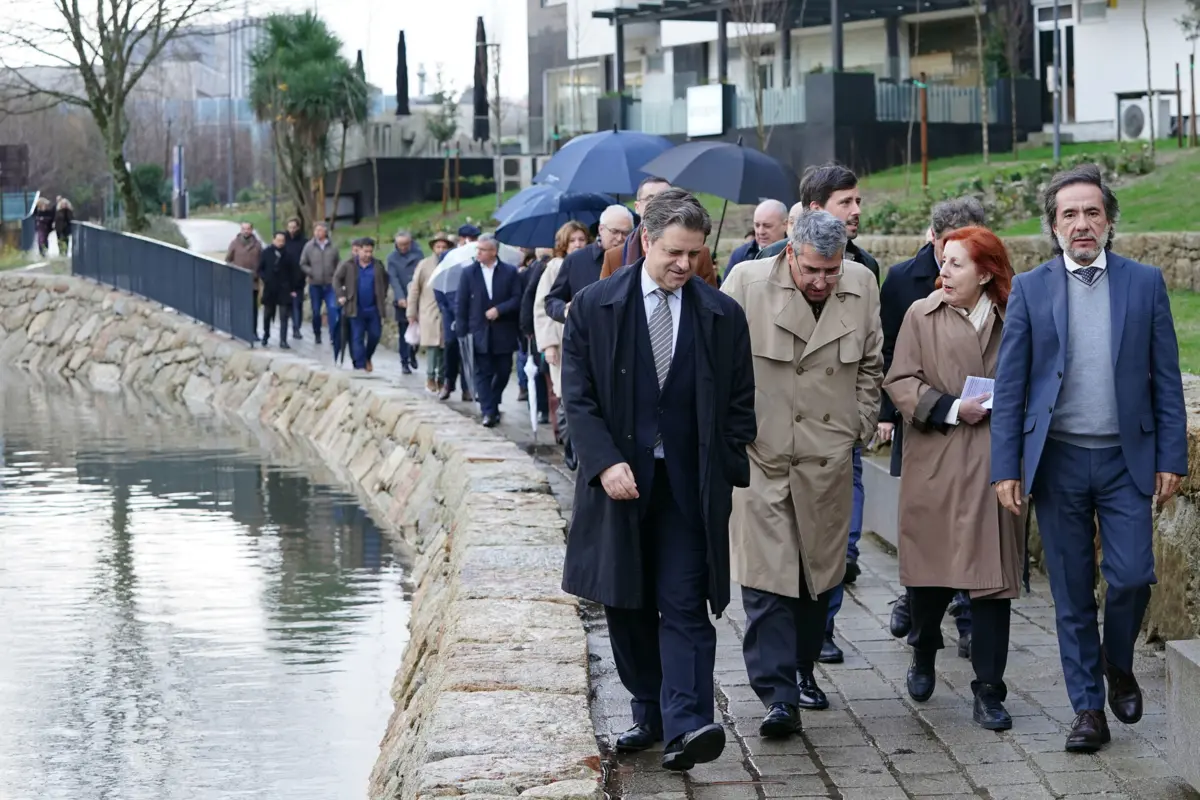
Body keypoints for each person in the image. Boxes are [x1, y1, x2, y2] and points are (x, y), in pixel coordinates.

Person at [991, 164, 1188, 753]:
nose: (1082, 223)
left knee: (1131, 576)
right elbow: (1011, 387)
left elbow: (1166, 379)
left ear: (1108, 221)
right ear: (1053, 226)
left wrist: (1172, 455)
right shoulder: (1030, 289)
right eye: (1070, 214)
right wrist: (1006, 467)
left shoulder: (1145, 283)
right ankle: (1087, 710)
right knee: (1073, 591)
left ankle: (1117, 663)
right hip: (1058, 462)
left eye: (1092, 212)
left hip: (1128, 460)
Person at [560, 188, 755, 771]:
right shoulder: (593, 307)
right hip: (620, 486)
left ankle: (689, 725)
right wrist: (604, 462)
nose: (684, 264)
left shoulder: (722, 314)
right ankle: (649, 710)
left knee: (685, 603)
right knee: (628, 603)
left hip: (690, 490)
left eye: (694, 254)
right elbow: (578, 399)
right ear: (646, 241)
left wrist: (723, 463)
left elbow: (740, 404)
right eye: (674, 252)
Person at [721, 210, 882, 735]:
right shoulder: (747, 282)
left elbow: (871, 363)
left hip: (827, 459)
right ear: (790, 251)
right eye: (812, 269)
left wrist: (859, 424)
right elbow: (715, 361)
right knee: (766, 581)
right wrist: (731, 433)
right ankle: (778, 698)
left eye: (831, 271)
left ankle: (801, 667)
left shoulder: (862, 283)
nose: (821, 281)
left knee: (817, 583)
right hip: (762, 458)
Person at [882, 225, 1024, 731]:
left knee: (993, 584)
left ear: (985, 273)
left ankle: (989, 690)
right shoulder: (921, 314)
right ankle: (923, 650)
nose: (942, 271)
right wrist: (948, 408)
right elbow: (899, 380)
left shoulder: (1014, 316)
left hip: (996, 466)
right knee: (930, 578)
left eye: (956, 263)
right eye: (943, 261)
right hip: (937, 460)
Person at [877, 197, 987, 649]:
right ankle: (918, 602)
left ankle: (967, 616)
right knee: (927, 525)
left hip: (979, 430)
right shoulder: (903, 280)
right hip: (925, 423)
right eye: (950, 247)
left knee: (971, 524)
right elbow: (889, 353)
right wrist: (888, 414)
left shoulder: (994, 284)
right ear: (935, 239)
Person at [790, 163, 880, 670]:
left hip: (841, 438)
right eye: (847, 202)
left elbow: (872, 356)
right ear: (815, 209)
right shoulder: (765, 269)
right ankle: (790, 651)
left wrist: (861, 421)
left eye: (858, 200)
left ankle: (821, 630)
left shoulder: (865, 269)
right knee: (785, 550)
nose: (857, 210)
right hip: (786, 442)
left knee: (837, 544)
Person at [602, 176, 720, 288]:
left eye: (667, 198)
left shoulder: (700, 254)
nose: (659, 205)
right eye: (651, 198)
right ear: (637, 207)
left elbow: (709, 298)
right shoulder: (614, 257)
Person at [456, 234, 521, 427]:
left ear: (494, 251)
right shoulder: (468, 273)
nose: (478, 253)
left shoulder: (510, 272)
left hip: (504, 331)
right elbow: (461, 304)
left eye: (482, 250)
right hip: (478, 331)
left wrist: (499, 310)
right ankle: (488, 412)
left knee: (503, 371)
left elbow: (517, 298)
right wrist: (461, 332)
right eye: (477, 249)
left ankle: (493, 401)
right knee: (482, 373)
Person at [545, 204, 633, 323]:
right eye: (614, 231)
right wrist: (565, 310)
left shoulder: (636, 259)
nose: (619, 238)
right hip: (587, 331)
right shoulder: (576, 260)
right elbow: (552, 300)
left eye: (625, 233)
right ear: (601, 229)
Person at [436, 224, 479, 401]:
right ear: (461, 239)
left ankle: (468, 387)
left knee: (470, 347)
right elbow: (439, 282)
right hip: (451, 308)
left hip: (472, 308)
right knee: (451, 345)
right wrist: (444, 305)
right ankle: (448, 381)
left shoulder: (477, 257)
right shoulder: (449, 257)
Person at [333, 237, 389, 372]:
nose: (368, 255)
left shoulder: (377, 265)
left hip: (373, 309)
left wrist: (382, 295)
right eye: (365, 251)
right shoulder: (349, 265)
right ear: (358, 251)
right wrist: (341, 294)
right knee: (357, 337)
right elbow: (337, 279)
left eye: (370, 251)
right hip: (355, 308)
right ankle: (360, 366)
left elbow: (385, 280)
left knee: (375, 335)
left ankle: (367, 357)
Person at [409, 232, 454, 394]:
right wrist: (411, 312)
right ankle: (430, 376)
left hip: (447, 311)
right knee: (432, 346)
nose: (441, 250)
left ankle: (441, 378)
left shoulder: (452, 264)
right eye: (438, 246)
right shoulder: (424, 265)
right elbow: (415, 288)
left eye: (444, 247)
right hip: (428, 310)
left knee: (444, 347)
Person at [518, 248, 552, 424]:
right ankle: (542, 408)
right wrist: (527, 328)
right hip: (539, 327)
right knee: (540, 370)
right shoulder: (537, 269)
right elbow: (528, 297)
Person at [299, 222, 341, 349]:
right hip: (315, 284)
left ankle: (334, 336)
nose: (318, 233)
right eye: (316, 230)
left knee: (333, 309)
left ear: (325, 232)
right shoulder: (309, 246)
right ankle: (317, 333)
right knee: (316, 311)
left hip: (330, 284)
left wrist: (336, 275)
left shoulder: (333, 246)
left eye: (320, 230)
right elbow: (303, 263)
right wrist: (311, 272)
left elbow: (338, 262)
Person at [387, 231, 424, 373]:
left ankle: (412, 353)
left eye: (406, 244)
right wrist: (400, 297)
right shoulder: (392, 258)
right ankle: (404, 362)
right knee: (404, 332)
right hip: (402, 301)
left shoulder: (418, 254)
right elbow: (393, 279)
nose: (403, 247)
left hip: (418, 299)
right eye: (400, 244)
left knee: (418, 331)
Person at [258, 231, 303, 349]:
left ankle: (283, 340)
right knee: (267, 314)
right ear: (273, 240)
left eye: (282, 241)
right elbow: (260, 268)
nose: (280, 243)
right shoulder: (266, 253)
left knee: (284, 316)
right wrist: (265, 279)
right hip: (270, 288)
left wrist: (293, 288)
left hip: (284, 289)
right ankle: (266, 334)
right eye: (278, 240)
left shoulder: (288, 255)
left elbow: (294, 272)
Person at [724, 199, 788, 274]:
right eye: (757, 225)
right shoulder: (740, 255)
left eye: (767, 226)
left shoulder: (795, 255)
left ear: (785, 224)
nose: (760, 232)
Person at [225, 221, 263, 338]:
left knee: (253, 309)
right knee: (238, 307)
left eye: (248, 229)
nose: (246, 231)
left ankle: (253, 332)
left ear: (251, 230)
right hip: (239, 281)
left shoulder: (257, 245)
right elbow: (228, 260)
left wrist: (258, 274)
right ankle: (238, 330)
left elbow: (262, 262)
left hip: (253, 282)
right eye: (244, 229)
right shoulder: (234, 243)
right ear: (241, 230)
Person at [283, 217, 308, 340]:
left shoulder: (303, 242)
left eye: (294, 227)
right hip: (285, 278)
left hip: (298, 277)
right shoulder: (283, 240)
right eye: (290, 227)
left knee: (297, 305)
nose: (292, 230)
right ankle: (284, 331)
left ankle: (296, 328)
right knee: (286, 306)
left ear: (298, 227)